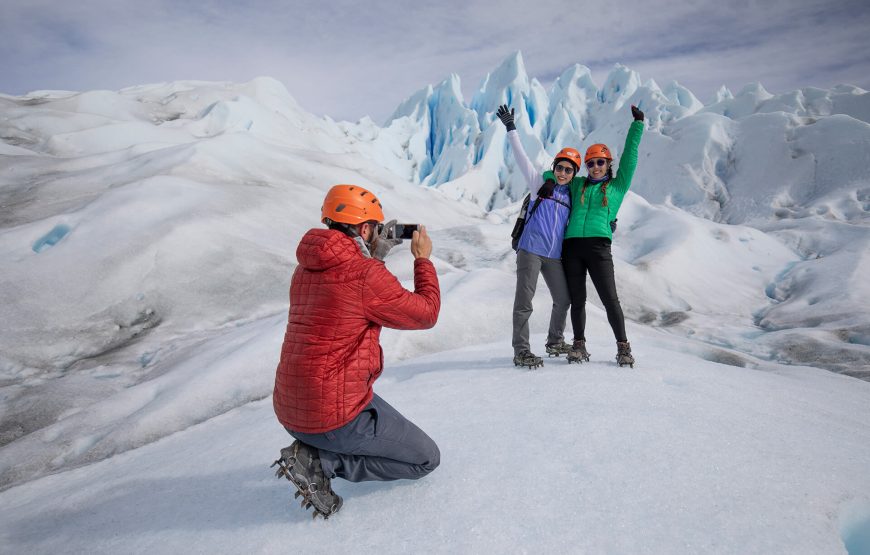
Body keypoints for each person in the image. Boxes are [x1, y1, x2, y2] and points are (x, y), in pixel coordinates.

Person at [271, 184, 441, 519]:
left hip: (292, 409)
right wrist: (423, 261)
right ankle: (320, 461)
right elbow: (426, 313)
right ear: (365, 230)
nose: (379, 234)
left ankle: (316, 448)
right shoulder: (366, 276)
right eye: (375, 229)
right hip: (331, 416)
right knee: (426, 459)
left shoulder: (304, 270)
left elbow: (343, 288)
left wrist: (372, 256)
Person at [551, 105, 644, 367]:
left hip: (598, 247)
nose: (595, 167)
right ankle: (579, 345)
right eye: (590, 163)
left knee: (609, 299)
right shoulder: (577, 183)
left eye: (600, 162)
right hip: (571, 248)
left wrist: (637, 125)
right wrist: (549, 178)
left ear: (608, 164)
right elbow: (558, 171)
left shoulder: (616, 186)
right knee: (577, 299)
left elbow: (631, 157)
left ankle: (623, 347)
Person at [496, 104, 578, 369]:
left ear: (574, 174)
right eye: (560, 168)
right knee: (524, 303)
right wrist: (511, 129)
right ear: (554, 168)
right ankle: (521, 350)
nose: (563, 173)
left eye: (568, 170)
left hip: (554, 257)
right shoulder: (539, 185)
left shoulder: (572, 198)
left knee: (563, 299)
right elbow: (522, 157)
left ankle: (555, 341)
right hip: (530, 250)